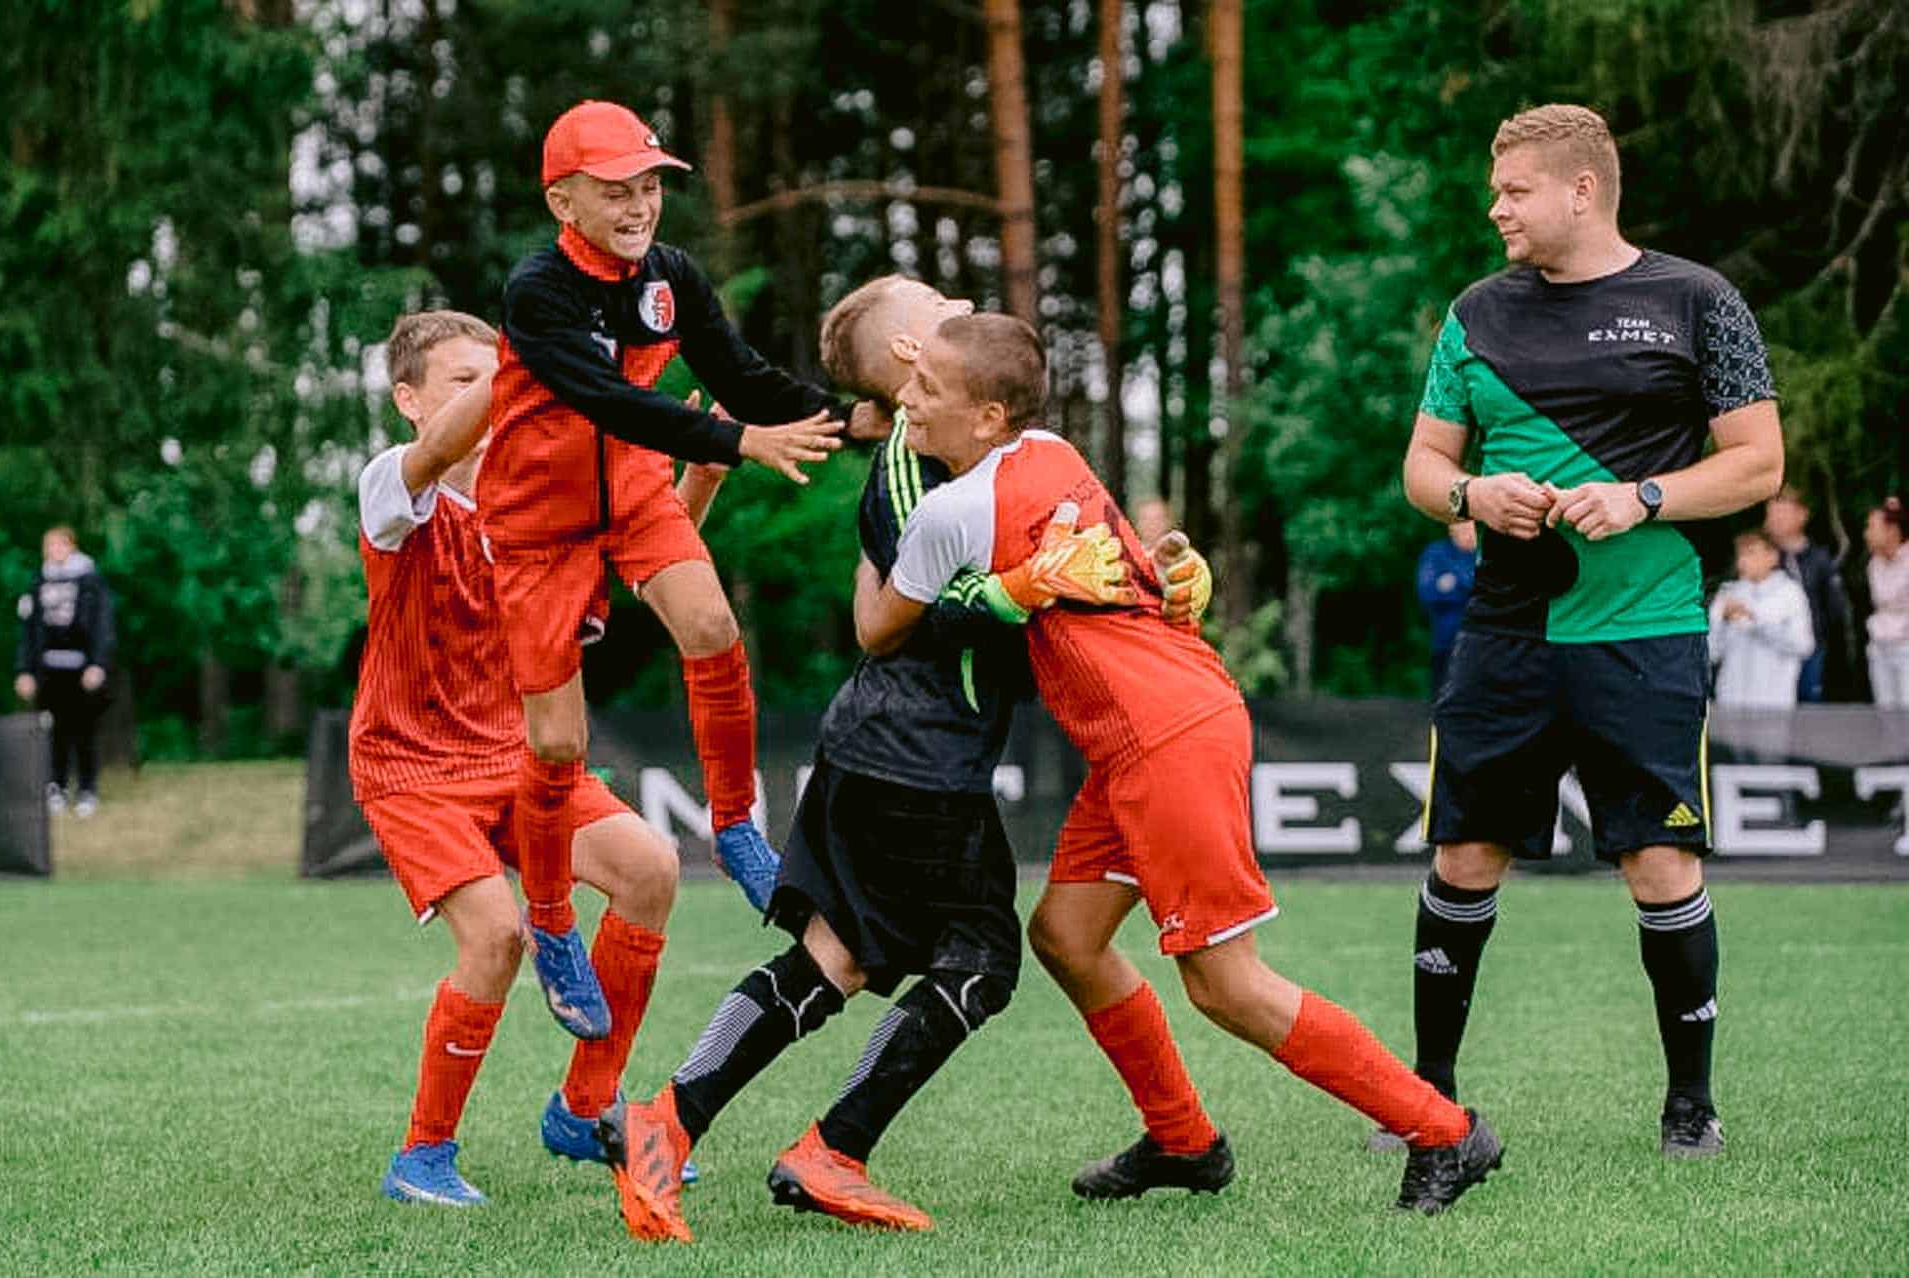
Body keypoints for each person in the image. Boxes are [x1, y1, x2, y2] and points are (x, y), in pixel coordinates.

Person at [599, 275, 1215, 1242]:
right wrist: (1016, 586)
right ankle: (830, 1150)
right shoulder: (909, 462)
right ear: (908, 360)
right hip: (912, 757)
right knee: (980, 964)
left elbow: (1059, 556)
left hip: (890, 752)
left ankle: (666, 1123)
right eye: (935, 306)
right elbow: (895, 618)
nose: (958, 304)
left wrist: (1159, 577)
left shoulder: (984, 444)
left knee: (831, 959)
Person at [850, 312, 1499, 1217]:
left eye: (929, 391)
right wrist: (1163, 575)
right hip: (1153, 729)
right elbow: (1124, 578)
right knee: (1067, 938)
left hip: (1165, 740)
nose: (909, 399)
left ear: (991, 416)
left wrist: (890, 544)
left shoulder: (951, 510)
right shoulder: (1050, 450)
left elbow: (878, 630)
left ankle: (1443, 1133)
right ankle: (1184, 1143)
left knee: (1229, 988)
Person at [1399, 104, 1783, 1161]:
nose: (1496, 209)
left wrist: (1644, 498)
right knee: (1466, 856)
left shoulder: (1699, 300)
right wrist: (1475, 492)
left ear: (1583, 189)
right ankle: (1429, 1101)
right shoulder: (1475, 312)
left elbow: (1758, 463)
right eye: (1496, 190)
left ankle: (1690, 1107)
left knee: (1661, 864)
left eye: (1514, 190)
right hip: (1506, 636)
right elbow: (1423, 469)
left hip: (1645, 633)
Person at [476, 100, 882, 1042]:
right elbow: (610, 400)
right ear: (562, 201)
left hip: (632, 491)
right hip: (537, 528)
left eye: (650, 184)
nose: (640, 204)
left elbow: (742, 377)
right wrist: (739, 444)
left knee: (712, 630)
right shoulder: (536, 290)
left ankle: (737, 828)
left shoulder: (674, 277)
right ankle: (548, 919)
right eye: (616, 188)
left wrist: (851, 421)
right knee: (558, 748)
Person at [353, 310, 725, 1207]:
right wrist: (533, 367)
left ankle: (585, 1108)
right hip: (411, 766)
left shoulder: (548, 508)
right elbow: (444, 450)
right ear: (409, 401)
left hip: (517, 758)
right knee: (496, 937)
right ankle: (423, 1157)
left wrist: (701, 475)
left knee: (651, 868)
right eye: (464, 379)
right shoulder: (394, 491)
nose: (495, 395)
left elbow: (637, 565)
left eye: (501, 375)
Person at [14, 526, 115, 817]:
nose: (53, 551)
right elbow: (28, 630)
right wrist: (24, 670)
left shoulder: (91, 581)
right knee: (52, 731)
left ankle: (87, 789)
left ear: (71, 547)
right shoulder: (38, 582)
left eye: (59, 545)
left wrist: (98, 663)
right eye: (48, 546)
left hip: (82, 669)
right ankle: (56, 786)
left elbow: (102, 625)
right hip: (49, 670)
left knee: (83, 729)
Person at [1762, 486, 1849, 702]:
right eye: (1771, 513)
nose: (1775, 519)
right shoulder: (1760, 560)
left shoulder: (1819, 559)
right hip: (1770, 650)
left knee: (1809, 710)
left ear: (1802, 515)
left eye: (1782, 512)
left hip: (1813, 650)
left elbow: (1834, 609)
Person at [1709, 530, 1813, 708]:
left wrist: (1755, 621)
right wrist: (1720, 620)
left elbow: (1804, 646)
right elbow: (1712, 653)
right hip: (1730, 701)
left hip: (1773, 702)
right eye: (1740, 554)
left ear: (1772, 556)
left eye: (1751, 553)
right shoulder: (1728, 594)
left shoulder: (1790, 593)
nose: (1743, 560)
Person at [1417, 521, 1477, 697]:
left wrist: (1455, 581)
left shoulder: (1487, 554)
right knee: (1442, 700)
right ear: (1451, 530)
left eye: (1471, 527)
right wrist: (1470, 585)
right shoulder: (1436, 554)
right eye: (1462, 527)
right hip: (1446, 642)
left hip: (1484, 645)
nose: (1468, 533)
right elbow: (1428, 592)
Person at [1864, 497, 1909, 707]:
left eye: (1872, 527)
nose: (1867, 533)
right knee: (1886, 715)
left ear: (1892, 530)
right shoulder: (1874, 564)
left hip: (1906, 647)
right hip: (1880, 647)